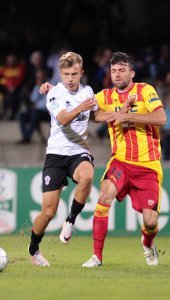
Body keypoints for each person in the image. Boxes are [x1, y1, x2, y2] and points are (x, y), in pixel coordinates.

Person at [82, 51, 166, 267]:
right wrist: (54, 90)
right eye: (113, 71)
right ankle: (96, 257)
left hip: (148, 166)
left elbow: (161, 118)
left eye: (122, 70)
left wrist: (127, 115)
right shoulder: (105, 96)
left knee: (150, 222)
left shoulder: (145, 90)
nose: (117, 75)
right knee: (105, 196)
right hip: (120, 162)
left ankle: (147, 242)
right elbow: (90, 111)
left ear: (132, 73)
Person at [28, 51, 98, 266]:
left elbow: (96, 115)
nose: (70, 78)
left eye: (74, 74)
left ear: (81, 73)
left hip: (78, 152)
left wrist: (119, 114)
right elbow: (64, 118)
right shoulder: (53, 93)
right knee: (48, 212)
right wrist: (81, 106)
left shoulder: (87, 91)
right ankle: (34, 249)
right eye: (66, 74)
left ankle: (70, 220)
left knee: (87, 175)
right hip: (56, 155)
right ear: (60, 73)